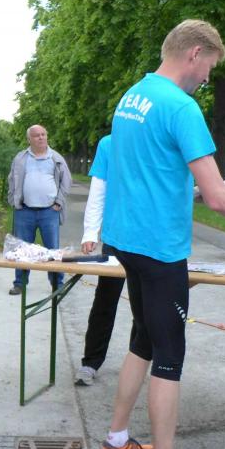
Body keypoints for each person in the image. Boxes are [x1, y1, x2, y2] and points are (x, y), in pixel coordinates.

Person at [100, 19, 225, 449]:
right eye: (209, 68)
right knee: (169, 355)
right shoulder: (181, 107)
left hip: (127, 240)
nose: (206, 78)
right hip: (160, 247)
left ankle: (117, 440)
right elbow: (217, 197)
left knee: (143, 338)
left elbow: (151, 170)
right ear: (195, 53)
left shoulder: (132, 96)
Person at [76, 134, 135, 386]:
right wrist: (91, 232)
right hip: (115, 237)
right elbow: (98, 190)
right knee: (105, 300)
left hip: (150, 239)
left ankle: (138, 361)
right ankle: (90, 362)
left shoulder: (157, 138)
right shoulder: (109, 144)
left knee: (145, 305)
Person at [6, 124, 71, 294]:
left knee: (53, 250)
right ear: (29, 139)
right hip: (24, 211)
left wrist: (58, 203)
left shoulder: (56, 158)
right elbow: (12, 180)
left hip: (49, 212)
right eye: (36, 135)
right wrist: (14, 202)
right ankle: (20, 283)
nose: (41, 137)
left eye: (43, 134)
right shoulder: (21, 158)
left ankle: (57, 284)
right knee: (22, 250)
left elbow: (66, 182)